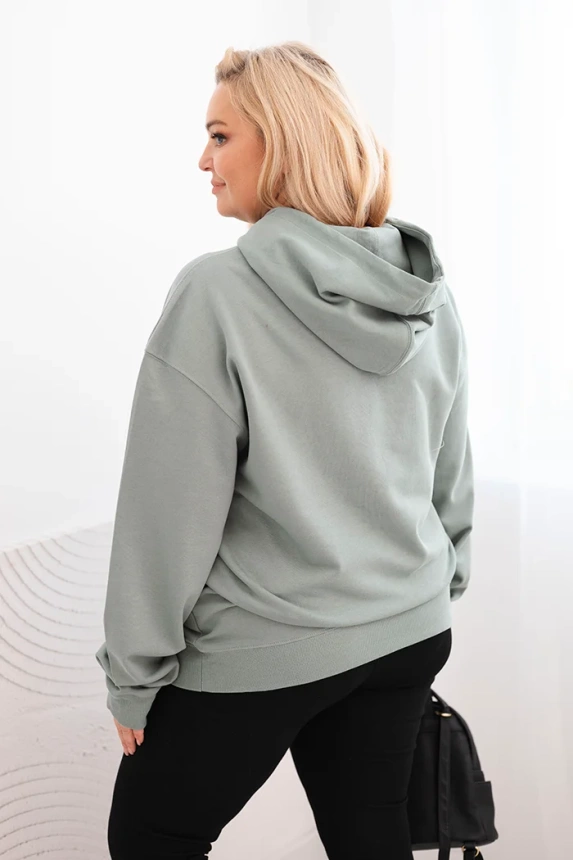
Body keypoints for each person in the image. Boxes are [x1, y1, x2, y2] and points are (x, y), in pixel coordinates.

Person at [96, 40, 473, 860]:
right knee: (369, 837)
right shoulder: (425, 293)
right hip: (407, 625)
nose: (203, 159)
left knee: (150, 837)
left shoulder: (217, 292)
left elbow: (169, 511)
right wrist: (434, 582)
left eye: (220, 135)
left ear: (284, 142)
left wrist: (133, 671)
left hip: (269, 641)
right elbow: (448, 469)